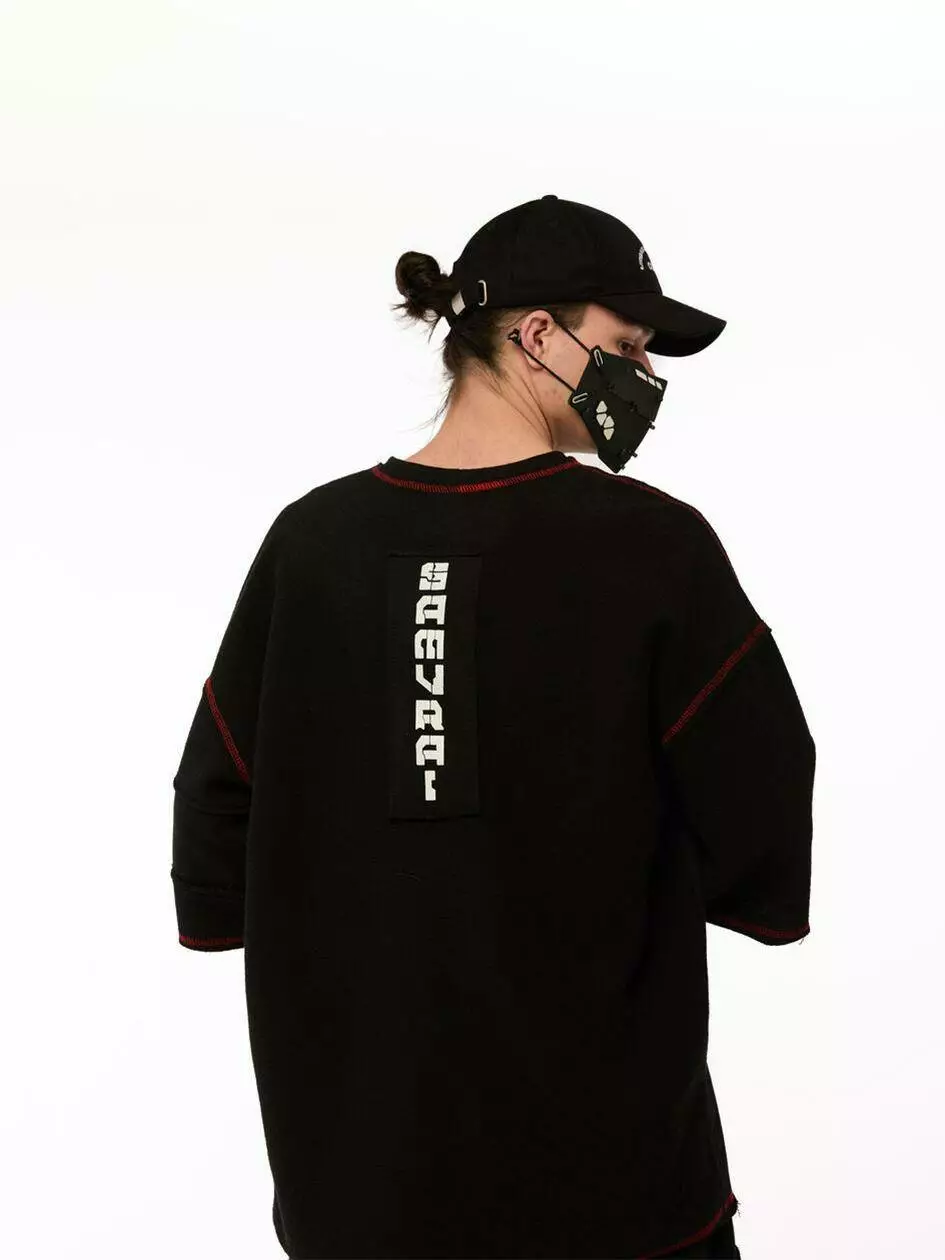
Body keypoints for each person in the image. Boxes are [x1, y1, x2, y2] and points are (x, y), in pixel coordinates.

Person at [170, 194, 812, 1259]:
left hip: (361, 1180)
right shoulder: (650, 547)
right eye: (628, 346)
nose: (643, 379)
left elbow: (217, 795)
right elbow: (760, 789)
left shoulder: (312, 543)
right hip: (613, 1188)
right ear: (539, 335)